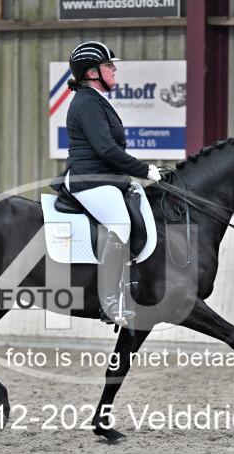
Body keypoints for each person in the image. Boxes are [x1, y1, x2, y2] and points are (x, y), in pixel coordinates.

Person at [55, 41, 162, 327]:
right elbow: (106, 150)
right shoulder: (87, 102)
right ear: (92, 73)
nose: (114, 69)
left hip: (104, 178)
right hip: (90, 180)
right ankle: (110, 301)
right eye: (108, 65)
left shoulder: (95, 99)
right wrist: (144, 170)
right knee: (120, 225)